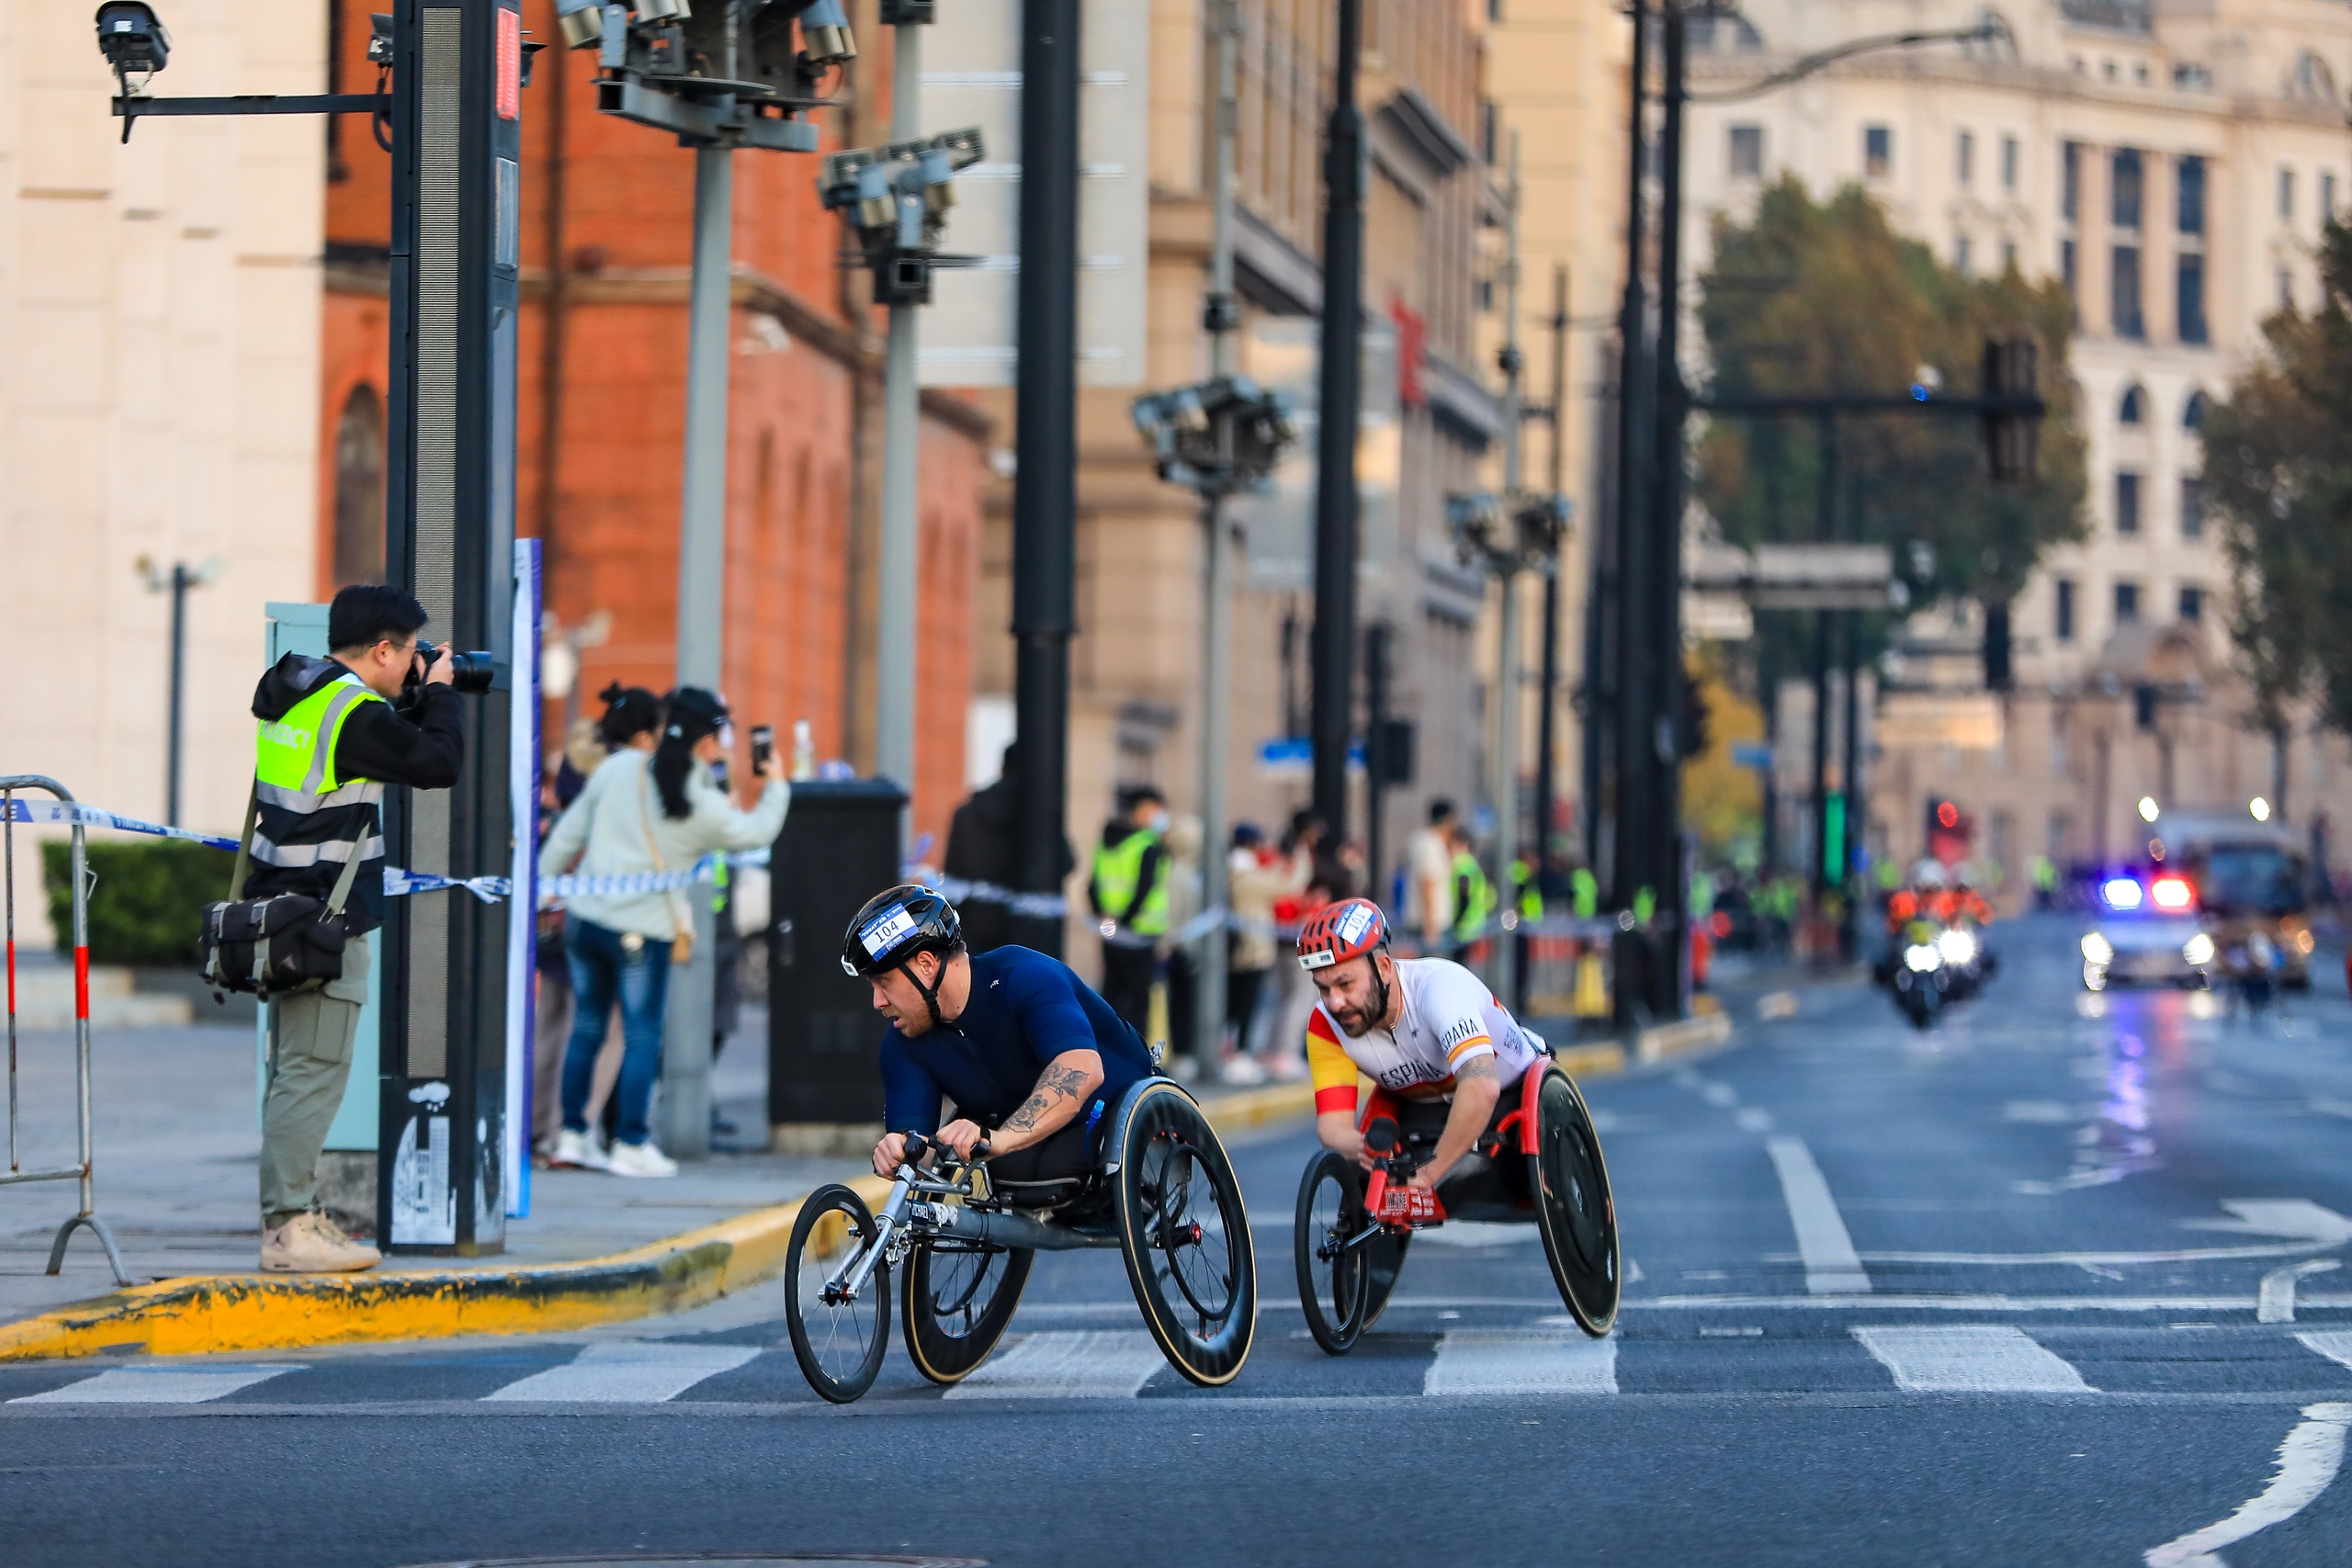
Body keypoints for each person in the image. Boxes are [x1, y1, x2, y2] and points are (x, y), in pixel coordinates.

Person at [243, 585, 465, 1271]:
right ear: (383, 649)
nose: (414, 667)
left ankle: (299, 1211)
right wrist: (445, 696)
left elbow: (370, 747)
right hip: (322, 916)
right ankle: (288, 1229)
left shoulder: (301, 693)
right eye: (409, 654)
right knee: (313, 1071)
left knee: (294, 1070)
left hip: (283, 903)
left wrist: (415, 696)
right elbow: (438, 764)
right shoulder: (353, 712)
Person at [540, 686, 789, 1177]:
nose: (723, 745)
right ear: (704, 743)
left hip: (585, 921)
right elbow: (757, 833)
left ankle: (572, 1135)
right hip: (639, 930)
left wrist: (544, 887)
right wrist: (777, 782)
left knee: (586, 1029)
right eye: (719, 735)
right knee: (641, 1034)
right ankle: (631, 1141)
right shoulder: (699, 802)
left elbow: (570, 830)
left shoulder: (619, 767)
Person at [845, 886, 1158, 1202]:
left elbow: (1082, 1069)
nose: (877, 1001)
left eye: (883, 982)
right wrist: (899, 1152)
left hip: (1110, 1101)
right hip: (1018, 1128)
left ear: (926, 964)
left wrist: (1002, 1139)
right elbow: (921, 1152)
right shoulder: (904, 1038)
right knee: (1012, 1173)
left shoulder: (1022, 976)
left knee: (1055, 1166)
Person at [1295, 897, 1548, 1213]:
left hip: (1513, 1091)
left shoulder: (1439, 990)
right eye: (1324, 989)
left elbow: (1482, 1086)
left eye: (1345, 984)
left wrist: (1428, 1175)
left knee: (1524, 1176)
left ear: (1384, 968)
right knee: (1361, 1172)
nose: (1335, 1003)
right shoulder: (1324, 1025)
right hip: (1422, 1108)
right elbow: (1332, 1130)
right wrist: (1367, 1150)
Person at [943, 741, 1076, 954]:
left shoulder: (967, 813)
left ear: (1003, 766)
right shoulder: (1040, 815)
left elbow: (952, 877)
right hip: (1030, 933)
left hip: (978, 928)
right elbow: (1067, 862)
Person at [1089, 784, 1170, 1037]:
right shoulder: (1147, 844)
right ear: (1143, 810)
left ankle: (1106, 1051)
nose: (1161, 816)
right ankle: (1137, 1060)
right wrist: (1125, 922)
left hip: (1110, 933)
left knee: (1111, 994)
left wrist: (1107, 920)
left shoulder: (1108, 841)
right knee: (1138, 1000)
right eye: (1157, 809)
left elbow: (1093, 885)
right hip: (1140, 932)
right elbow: (1144, 888)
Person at [1446, 819, 1495, 964]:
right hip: (1475, 923)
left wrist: (1456, 921)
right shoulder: (1474, 865)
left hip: (1463, 925)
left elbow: (1464, 896)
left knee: (1458, 965)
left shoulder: (1462, 865)